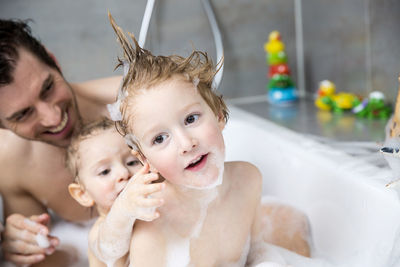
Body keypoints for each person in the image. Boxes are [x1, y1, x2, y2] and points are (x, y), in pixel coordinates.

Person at [102, 14, 311, 266]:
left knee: (297, 231)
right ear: (147, 160)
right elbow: (108, 250)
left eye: (191, 119)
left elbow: (256, 250)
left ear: (219, 114)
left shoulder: (248, 179)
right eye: (160, 138)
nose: (186, 143)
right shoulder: (153, 221)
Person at [0, 18, 121, 266]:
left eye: (47, 88)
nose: (53, 117)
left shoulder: (131, 105)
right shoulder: (12, 162)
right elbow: (49, 261)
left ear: (53, 61)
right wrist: (20, 246)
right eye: (23, 114)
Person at [66, 117, 165, 266]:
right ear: (83, 194)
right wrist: (124, 209)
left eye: (132, 162)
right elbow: (111, 248)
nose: (123, 173)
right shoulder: (99, 233)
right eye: (105, 171)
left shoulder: (159, 207)